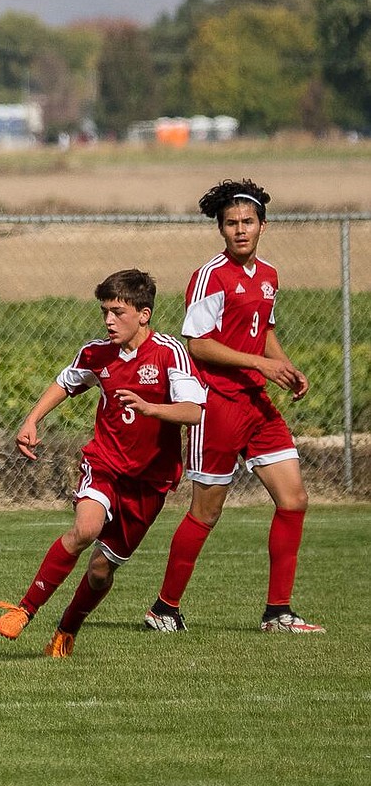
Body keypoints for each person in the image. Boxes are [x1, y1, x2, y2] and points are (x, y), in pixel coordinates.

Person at [0, 269, 206, 657]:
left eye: (117, 312)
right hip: (104, 464)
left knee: (100, 570)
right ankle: (25, 609)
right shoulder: (96, 353)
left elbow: (194, 410)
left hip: (150, 481)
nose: (108, 320)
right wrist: (31, 418)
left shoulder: (168, 352)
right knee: (85, 529)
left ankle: (66, 631)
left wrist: (150, 408)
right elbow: (66, 381)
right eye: (105, 311)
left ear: (143, 314)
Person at [145, 180, 325, 634]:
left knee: (294, 499)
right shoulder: (212, 276)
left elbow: (264, 332)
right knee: (206, 512)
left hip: (256, 404)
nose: (240, 230)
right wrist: (262, 364)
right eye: (231, 223)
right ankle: (164, 610)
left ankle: (278, 612)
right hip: (217, 403)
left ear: (263, 225)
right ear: (221, 230)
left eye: (247, 222)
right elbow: (199, 345)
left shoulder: (269, 276)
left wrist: (285, 367)